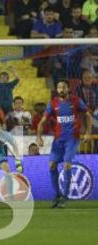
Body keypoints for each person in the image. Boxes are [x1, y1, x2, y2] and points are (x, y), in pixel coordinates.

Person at [37, 79, 92, 208]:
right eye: (59, 87)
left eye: (63, 87)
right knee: (51, 165)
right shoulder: (53, 103)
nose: (61, 89)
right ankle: (57, 195)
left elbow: (88, 115)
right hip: (58, 140)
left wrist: (88, 132)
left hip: (72, 139)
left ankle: (65, 197)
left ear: (68, 89)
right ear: (57, 89)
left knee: (67, 165)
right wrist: (38, 137)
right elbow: (42, 121)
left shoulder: (76, 101)